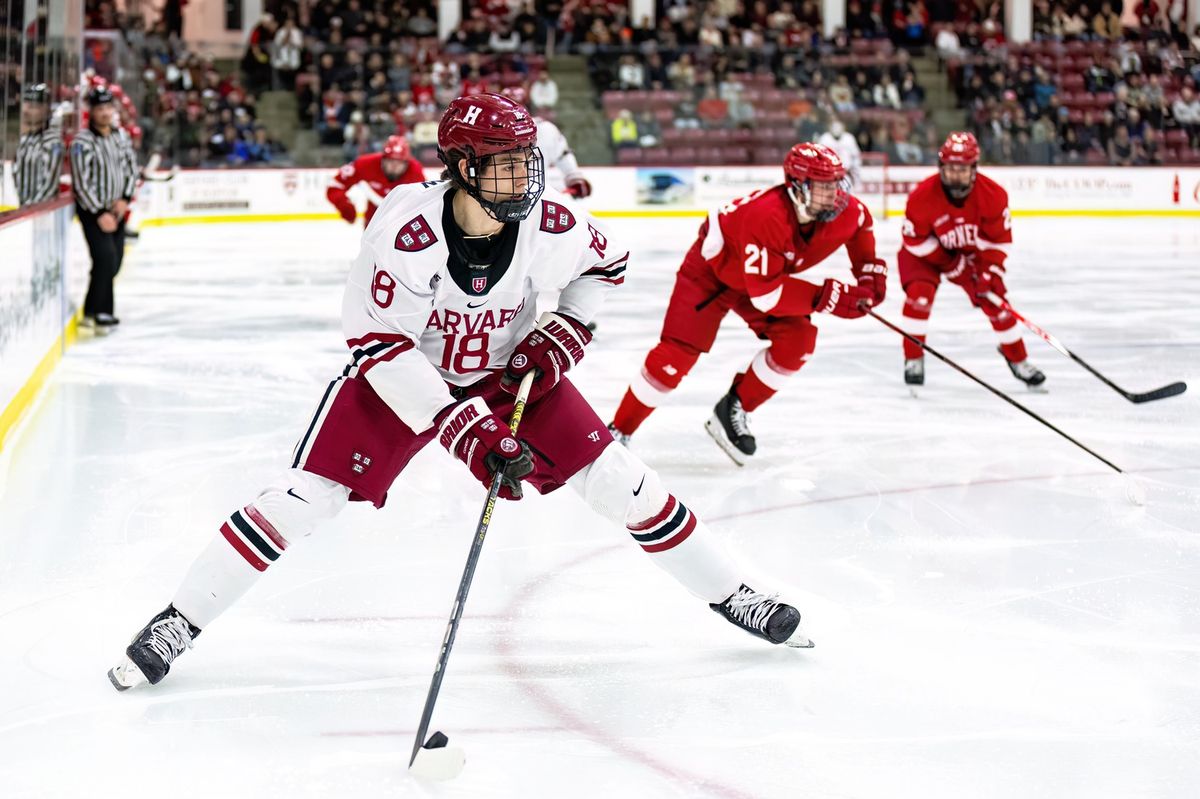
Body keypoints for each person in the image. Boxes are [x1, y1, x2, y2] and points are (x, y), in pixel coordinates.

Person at [107, 93, 812, 693]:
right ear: (462, 167)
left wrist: (567, 329)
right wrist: (463, 427)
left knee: (624, 483)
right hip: (403, 377)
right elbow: (379, 348)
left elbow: (607, 263)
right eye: (504, 162)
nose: (524, 177)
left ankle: (735, 593)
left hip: (509, 373)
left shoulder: (549, 223)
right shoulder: (404, 232)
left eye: (526, 160)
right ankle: (179, 620)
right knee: (301, 498)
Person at [607, 143, 887, 465]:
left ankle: (734, 409)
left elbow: (862, 222)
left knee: (798, 342)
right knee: (675, 356)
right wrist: (828, 296)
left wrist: (869, 275)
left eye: (837, 183)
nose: (835, 193)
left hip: (763, 279)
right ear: (797, 186)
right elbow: (767, 296)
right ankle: (618, 430)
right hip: (712, 273)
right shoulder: (768, 216)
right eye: (824, 186)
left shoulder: (844, 212)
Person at [898, 132, 1044, 389]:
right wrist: (950, 264)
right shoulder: (922, 195)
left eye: (962, 169)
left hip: (970, 254)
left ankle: (1018, 359)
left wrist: (989, 272)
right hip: (925, 256)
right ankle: (913, 357)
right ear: (941, 167)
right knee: (919, 297)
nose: (955, 174)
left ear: (974, 168)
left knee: (996, 301)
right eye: (950, 168)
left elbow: (997, 241)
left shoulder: (993, 195)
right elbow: (915, 241)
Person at [70, 85, 139, 333]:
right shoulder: (82, 141)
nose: (105, 112)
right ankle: (102, 312)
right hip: (93, 212)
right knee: (104, 258)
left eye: (108, 107)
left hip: (117, 210)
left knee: (114, 262)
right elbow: (81, 180)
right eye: (100, 108)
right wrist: (99, 213)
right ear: (92, 111)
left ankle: (91, 310)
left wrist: (124, 199)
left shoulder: (121, 136)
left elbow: (132, 168)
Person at [326, 134, 426, 226]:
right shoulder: (365, 164)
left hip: (401, 220)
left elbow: (422, 202)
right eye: (391, 161)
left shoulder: (415, 171)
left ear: (407, 163)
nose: (394, 167)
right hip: (372, 219)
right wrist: (345, 206)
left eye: (400, 162)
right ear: (383, 159)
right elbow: (335, 185)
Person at [14, 83, 63, 206]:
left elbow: (49, 185)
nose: (25, 110)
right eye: (25, 105)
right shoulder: (25, 139)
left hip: (42, 214)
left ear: (45, 109)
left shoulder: (52, 141)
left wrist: (30, 210)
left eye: (32, 106)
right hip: (24, 210)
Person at [816, 118, 862, 189]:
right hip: (828, 176)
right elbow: (819, 158)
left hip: (846, 175)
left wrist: (854, 175)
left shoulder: (849, 139)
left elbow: (856, 158)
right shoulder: (824, 139)